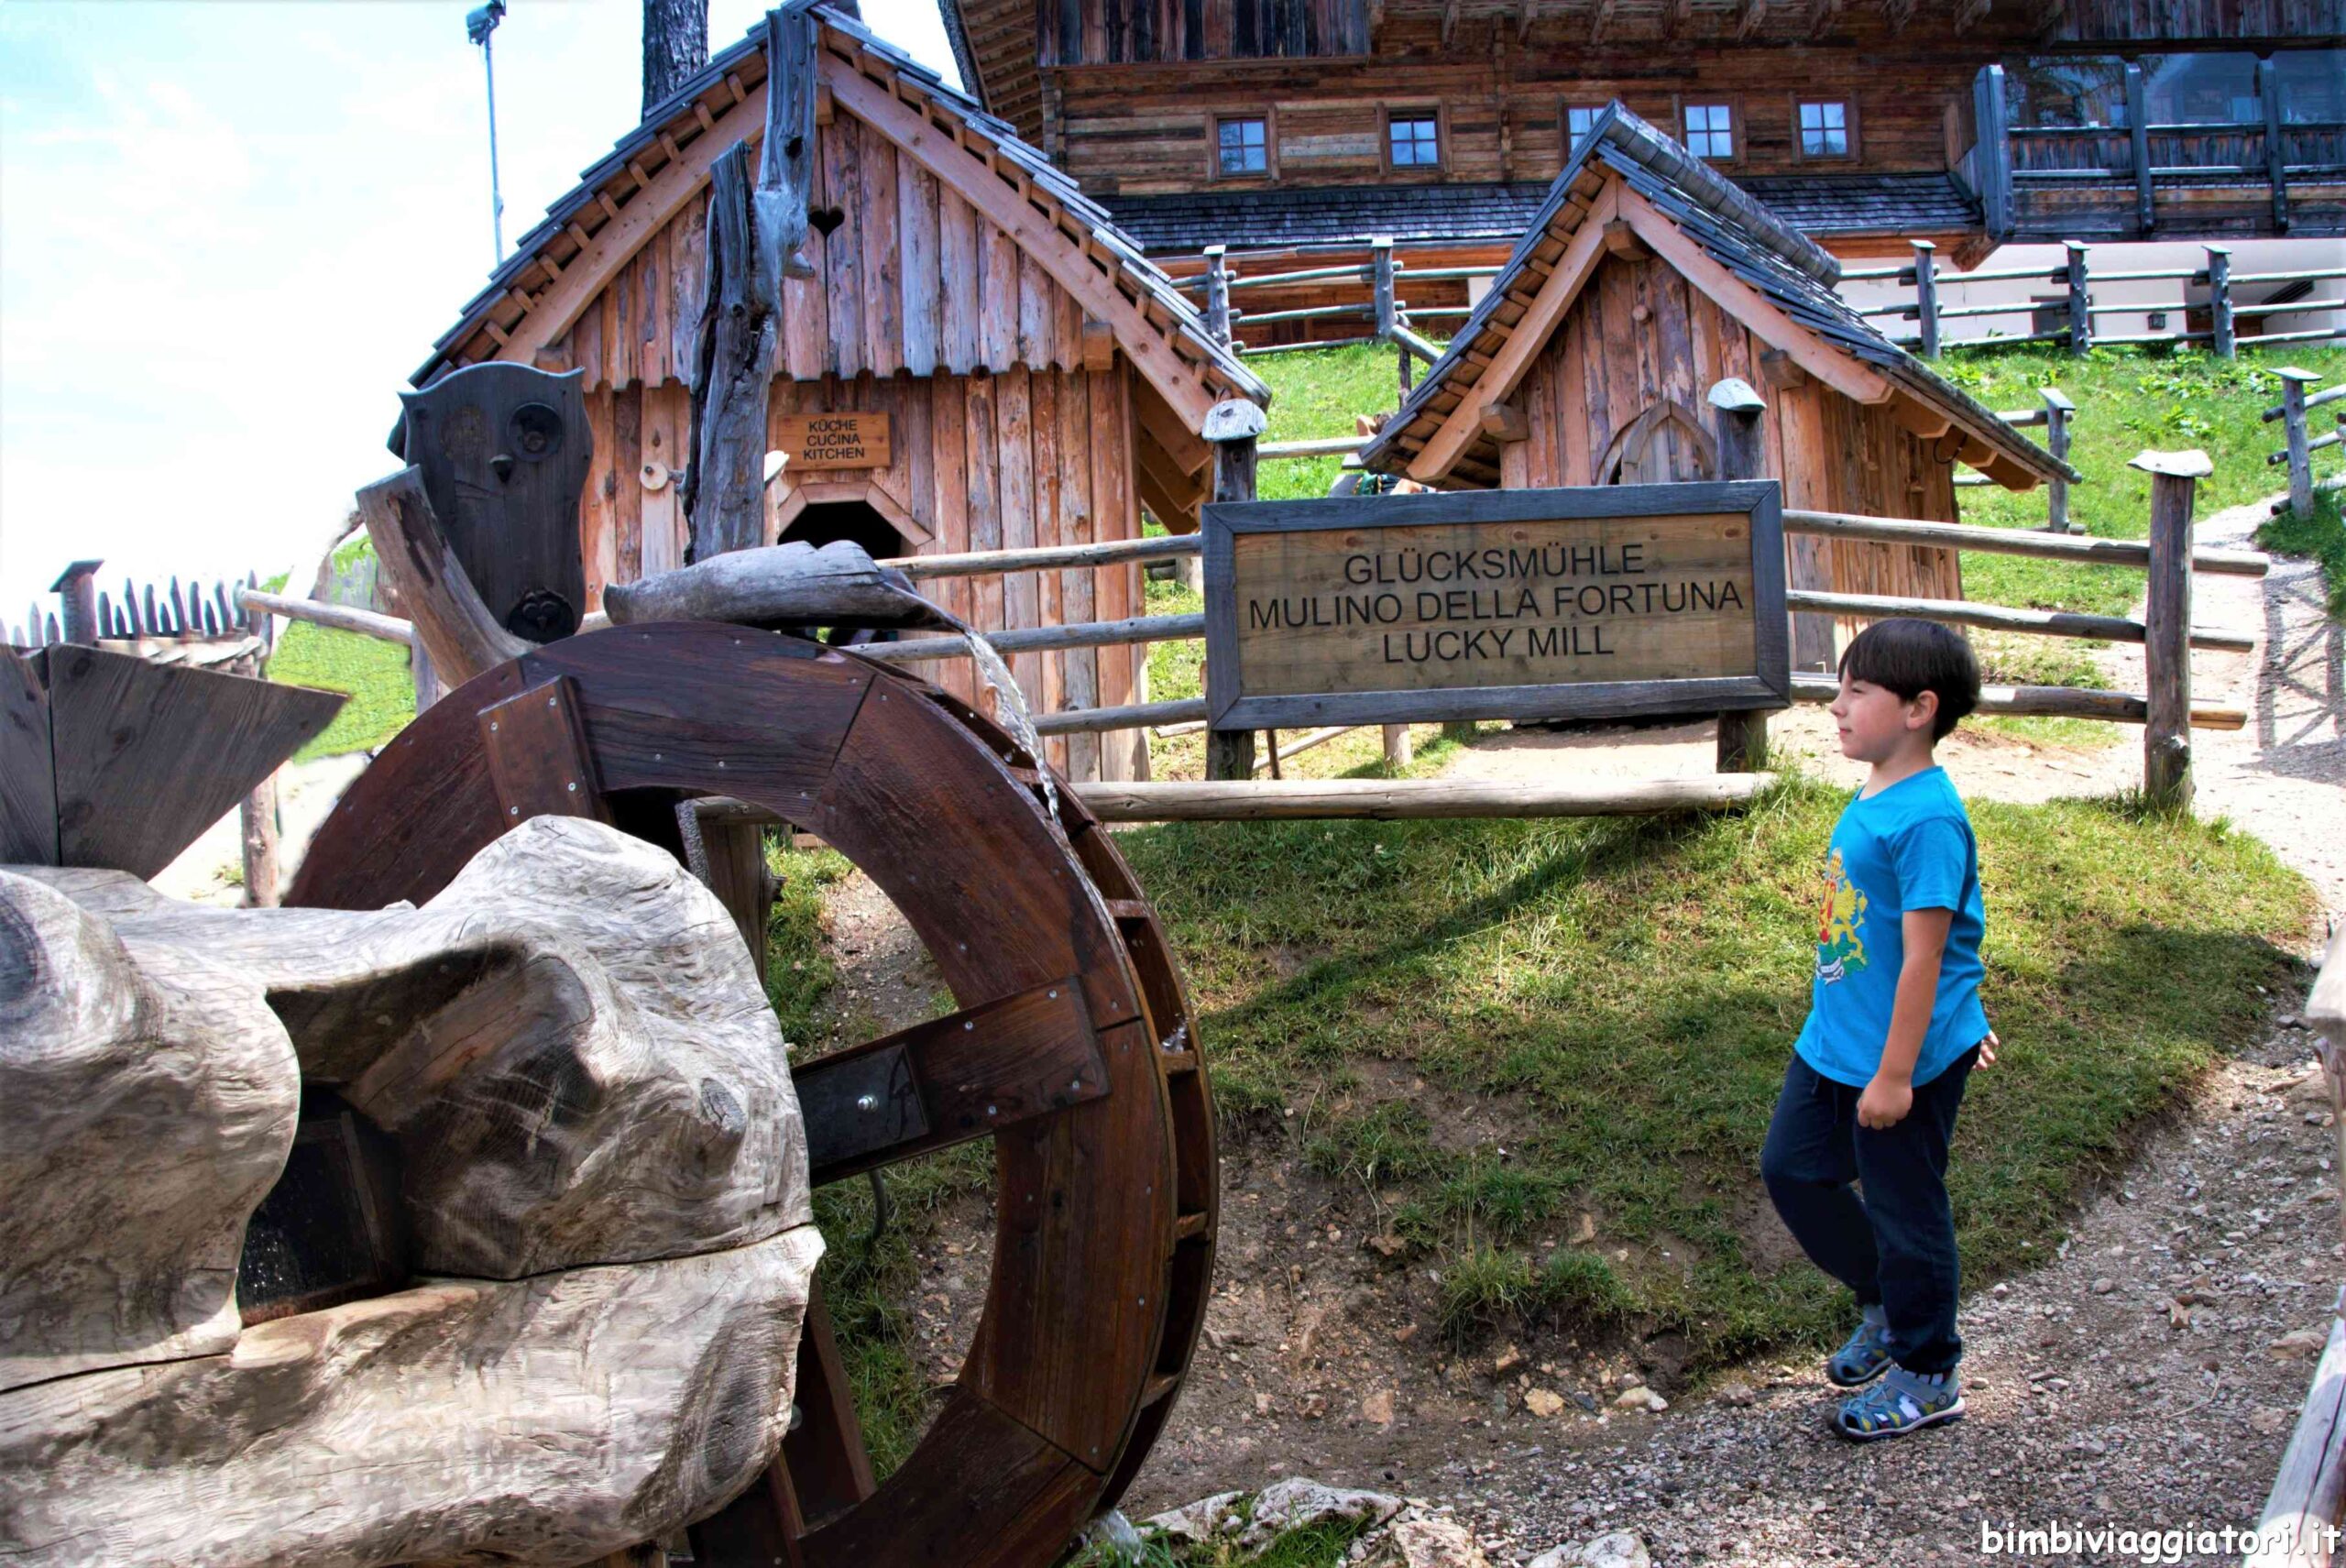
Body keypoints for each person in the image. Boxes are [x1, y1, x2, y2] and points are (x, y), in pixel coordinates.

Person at [1760, 617, 1999, 1442]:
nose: (1837, 706)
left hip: (1900, 1061)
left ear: (1917, 709)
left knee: (1907, 1211)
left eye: (1858, 690)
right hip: (1834, 1043)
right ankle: (1888, 1305)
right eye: (1842, 687)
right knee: (1791, 1169)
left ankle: (1930, 1368)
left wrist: (1899, 1074)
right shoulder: (1876, 788)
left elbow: (1928, 957)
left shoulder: (1927, 819)